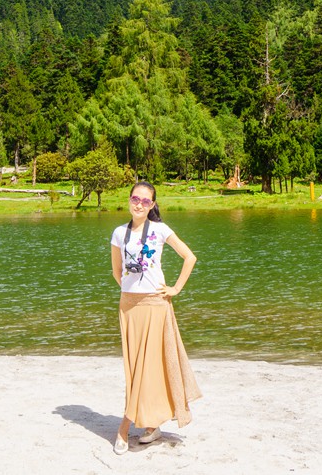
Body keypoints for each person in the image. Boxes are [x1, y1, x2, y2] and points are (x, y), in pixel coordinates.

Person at [109, 180, 201, 454]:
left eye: (145, 201)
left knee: (152, 366)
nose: (139, 204)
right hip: (129, 306)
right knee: (134, 369)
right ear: (129, 200)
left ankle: (124, 428)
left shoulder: (160, 230)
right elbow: (117, 272)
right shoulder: (118, 233)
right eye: (135, 199)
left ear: (152, 205)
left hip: (157, 304)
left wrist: (174, 289)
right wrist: (131, 292)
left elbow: (190, 257)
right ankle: (152, 425)